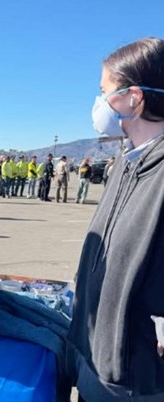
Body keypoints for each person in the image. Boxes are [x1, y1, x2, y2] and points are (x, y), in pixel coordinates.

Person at [67, 36, 164, 401]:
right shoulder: (125, 163)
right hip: (95, 353)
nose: (99, 102)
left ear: (134, 99)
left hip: (136, 376)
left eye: (104, 91)